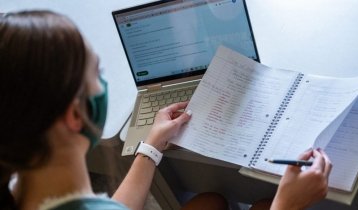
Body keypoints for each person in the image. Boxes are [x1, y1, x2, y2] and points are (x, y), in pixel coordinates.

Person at [0, 10, 331, 210]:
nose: (104, 79)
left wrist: (150, 146)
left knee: (210, 201)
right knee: (263, 205)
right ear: (74, 115)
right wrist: (288, 204)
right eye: (98, 72)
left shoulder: (21, 191)